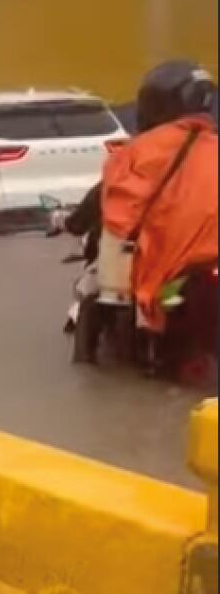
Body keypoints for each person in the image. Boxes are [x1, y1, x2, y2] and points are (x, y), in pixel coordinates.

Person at [92, 60, 218, 375]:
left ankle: (152, 356)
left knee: (133, 293)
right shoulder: (212, 146)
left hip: (173, 273)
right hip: (204, 270)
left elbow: (118, 216)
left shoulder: (138, 152)